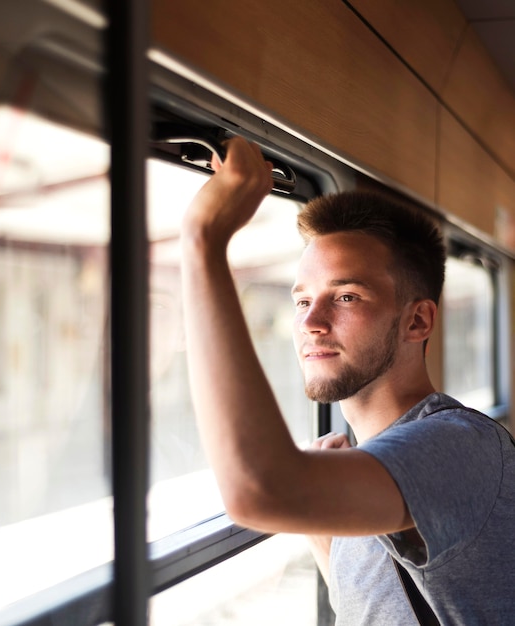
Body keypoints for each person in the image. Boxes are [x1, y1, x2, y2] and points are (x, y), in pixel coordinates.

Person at [179, 136, 515, 625]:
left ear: (417, 322)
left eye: (346, 297)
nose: (310, 321)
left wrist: (203, 241)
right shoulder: (374, 475)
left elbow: (258, 490)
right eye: (301, 300)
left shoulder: (461, 448)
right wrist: (326, 541)